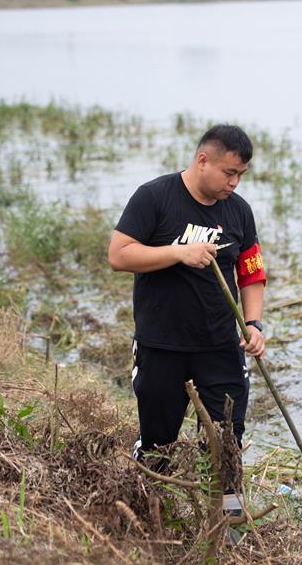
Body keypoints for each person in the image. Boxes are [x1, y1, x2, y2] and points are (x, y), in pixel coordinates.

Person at [108, 125, 266, 496]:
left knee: (226, 441)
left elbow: (251, 272)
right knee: (157, 443)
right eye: (229, 173)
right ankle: (147, 509)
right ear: (202, 160)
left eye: (240, 175)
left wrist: (254, 323)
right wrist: (179, 252)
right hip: (161, 346)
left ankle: (225, 525)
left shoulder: (239, 212)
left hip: (220, 347)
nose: (234, 183)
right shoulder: (155, 198)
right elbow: (119, 255)